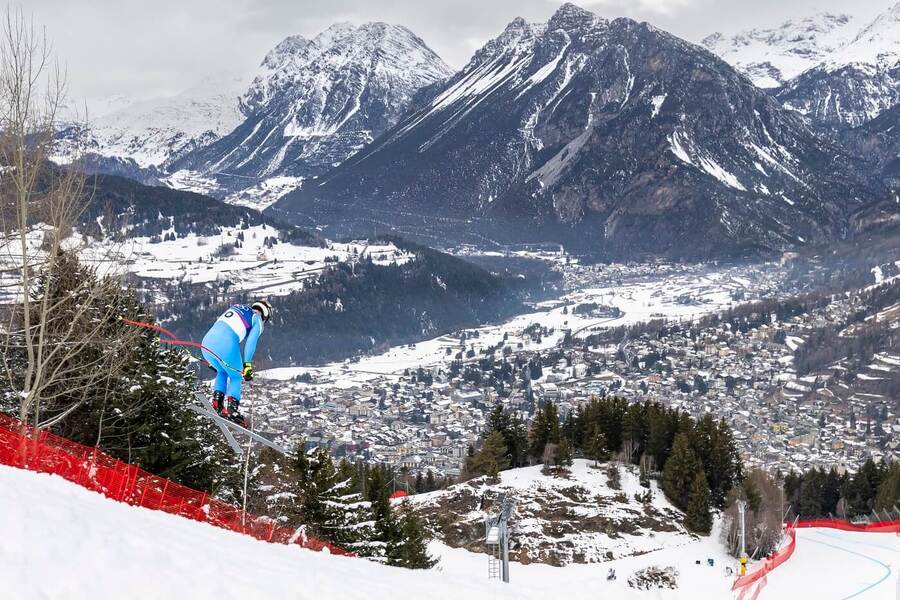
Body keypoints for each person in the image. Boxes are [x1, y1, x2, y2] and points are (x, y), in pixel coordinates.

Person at [201, 300, 272, 426]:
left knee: (222, 371)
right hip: (225, 344)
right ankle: (231, 410)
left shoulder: (237, 307)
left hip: (206, 344)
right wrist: (247, 365)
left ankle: (217, 403)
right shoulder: (257, 319)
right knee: (236, 376)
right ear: (265, 315)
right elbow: (251, 343)